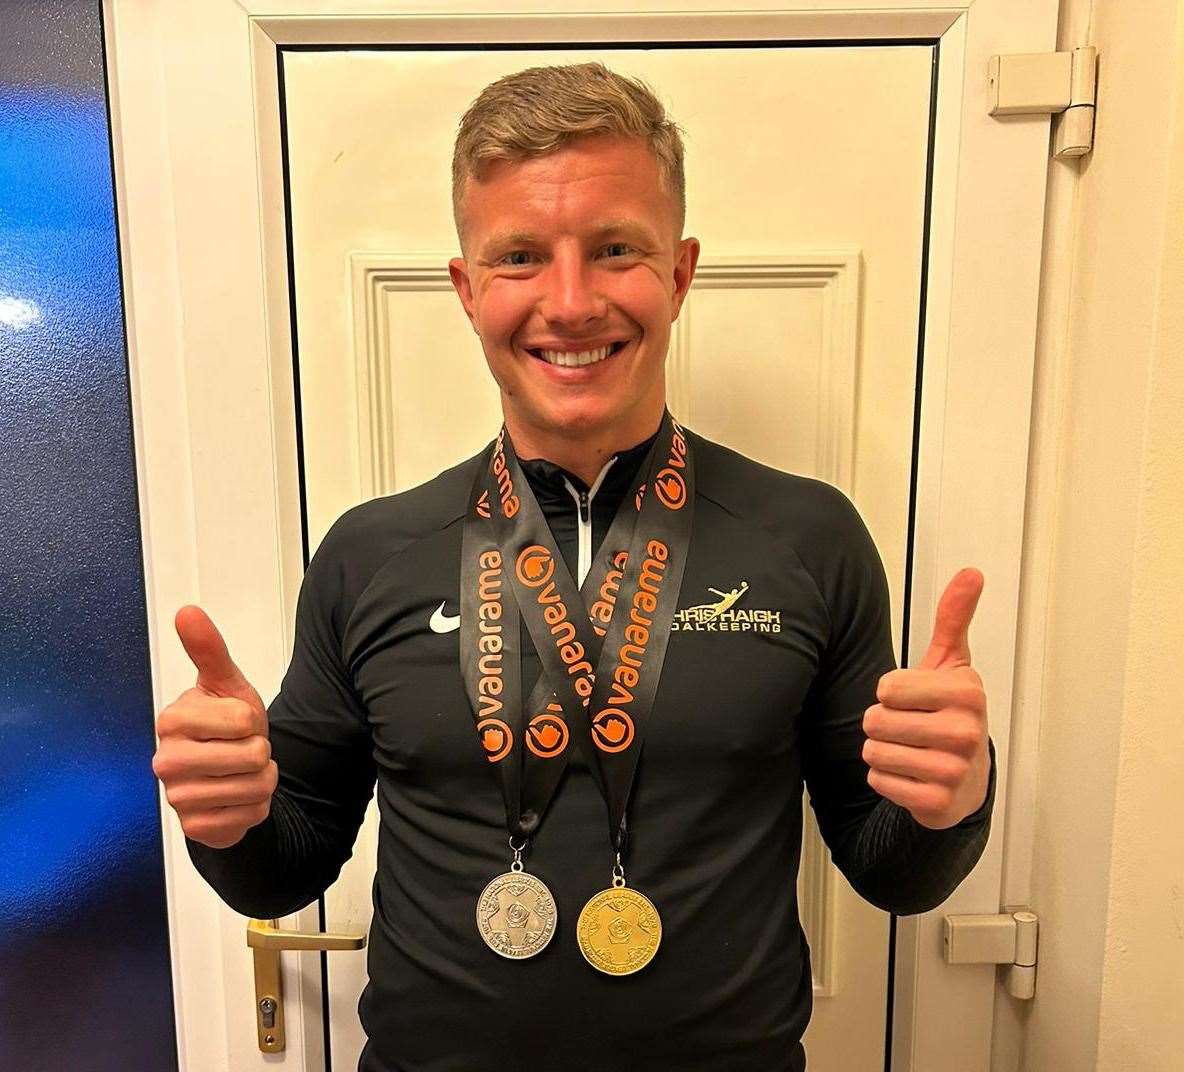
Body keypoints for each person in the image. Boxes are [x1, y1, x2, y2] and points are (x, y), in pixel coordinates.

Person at [152, 62, 996, 1072]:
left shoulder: (808, 537)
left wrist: (950, 803)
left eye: (613, 249)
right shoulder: (367, 552)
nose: (568, 300)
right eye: (518, 256)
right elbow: (283, 868)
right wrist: (228, 824)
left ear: (678, 272)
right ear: (466, 291)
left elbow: (891, 872)